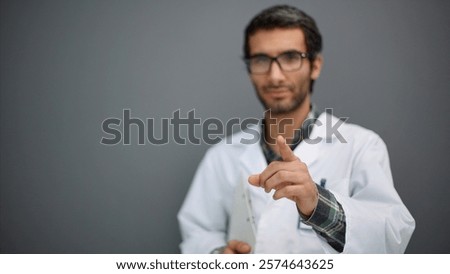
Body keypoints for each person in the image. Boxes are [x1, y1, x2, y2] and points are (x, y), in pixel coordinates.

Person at [177, 5, 415, 254]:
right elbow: (198, 232)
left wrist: (318, 204)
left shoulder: (361, 146)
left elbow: (391, 237)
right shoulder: (222, 155)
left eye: (290, 58)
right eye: (261, 60)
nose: (275, 76)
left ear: (315, 66)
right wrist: (217, 256)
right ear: (249, 70)